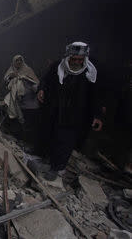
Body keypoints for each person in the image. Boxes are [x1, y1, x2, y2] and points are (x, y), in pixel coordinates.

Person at [35, 41, 103, 181]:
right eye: (74, 59)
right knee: (52, 136)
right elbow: (45, 79)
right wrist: (41, 89)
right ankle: (48, 159)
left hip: (75, 115)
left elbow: (95, 96)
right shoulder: (58, 67)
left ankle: (57, 168)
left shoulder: (89, 73)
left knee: (66, 141)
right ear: (68, 56)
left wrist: (97, 115)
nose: (77, 62)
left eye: (80, 59)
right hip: (56, 111)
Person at [3, 55, 40, 145]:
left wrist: (25, 80)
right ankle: (19, 140)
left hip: (29, 102)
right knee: (17, 120)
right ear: (14, 62)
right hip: (17, 102)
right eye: (17, 61)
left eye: (20, 60)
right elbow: (6, 81)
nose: (19, 62)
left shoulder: (28, 70)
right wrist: (11, 78)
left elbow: (36, 83)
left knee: (28, 122)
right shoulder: (11, 70)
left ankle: (29, 142)